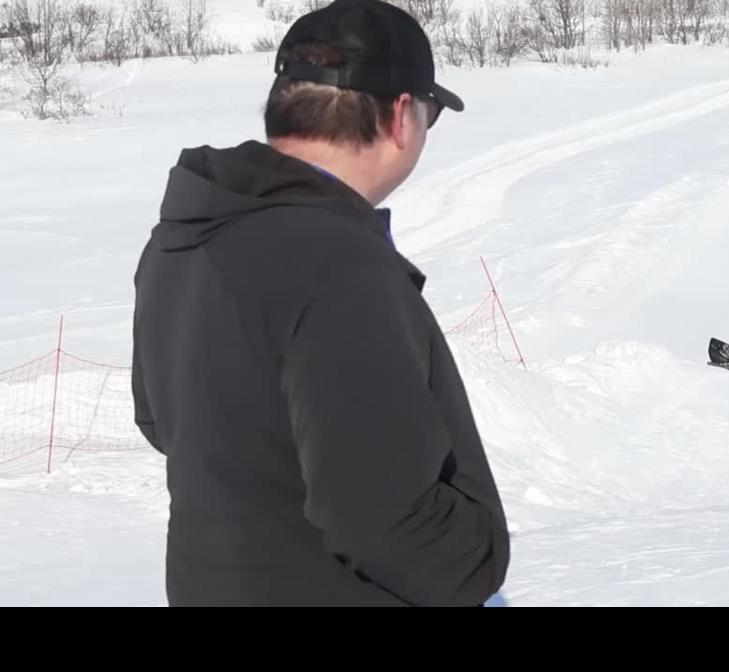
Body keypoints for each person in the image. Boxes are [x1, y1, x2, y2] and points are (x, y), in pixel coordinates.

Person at [130, 0, 508, 607]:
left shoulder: (184, 232)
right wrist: (476, 559)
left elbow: (161, 421)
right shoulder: (338, 267)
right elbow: (385, 516)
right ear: (401, 115)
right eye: (430, 116)